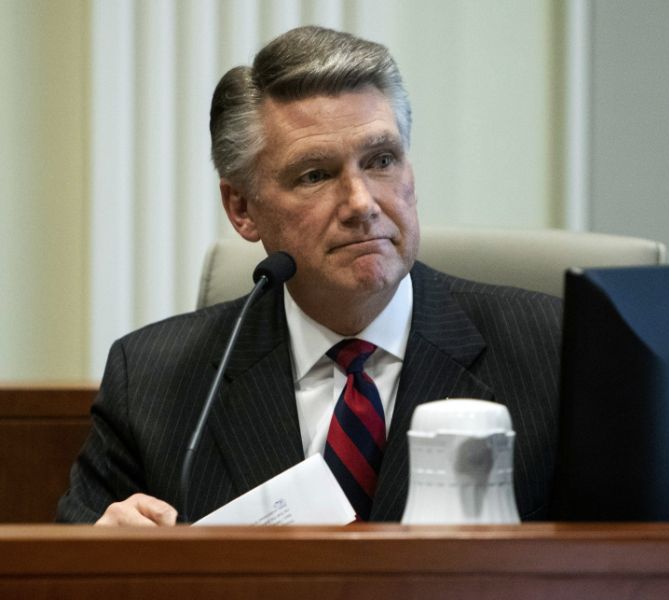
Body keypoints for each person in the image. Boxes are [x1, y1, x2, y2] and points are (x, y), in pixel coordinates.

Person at [56, 26, 561, 525]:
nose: (362, 204)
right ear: (242, 208)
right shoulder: (152, 382)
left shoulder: (555, 354)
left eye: (382, 160)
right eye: (315, 175)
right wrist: (105, 559)